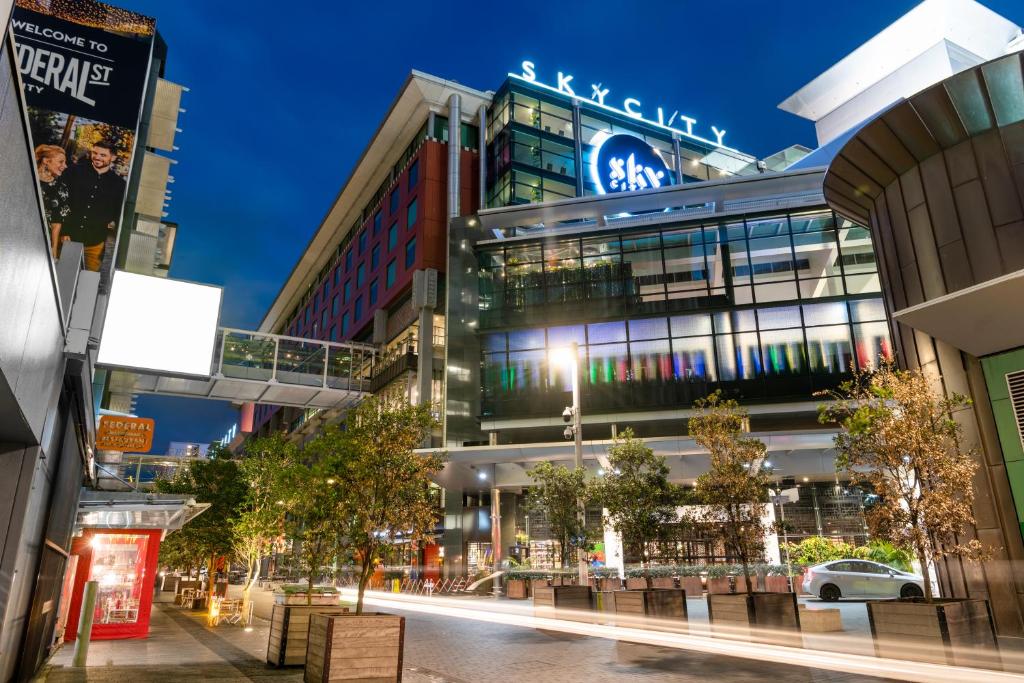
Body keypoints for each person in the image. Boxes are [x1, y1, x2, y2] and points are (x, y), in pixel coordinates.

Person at [62, 138, 127, 272]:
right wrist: (64, 231)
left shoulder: (119, 184)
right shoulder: (74, 171)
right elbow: (63, 201)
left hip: (95, 244)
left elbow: (118, 213)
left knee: (88, 283)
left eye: (103, 155)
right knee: (61, 274)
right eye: (95, 153)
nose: (97, 157)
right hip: (67, 237)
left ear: (113, 157)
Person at [34, 144, 70, 258]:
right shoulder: (26, 176)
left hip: (40, 240)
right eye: (61, 162)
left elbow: (56, 223)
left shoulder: (61, 188)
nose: (65, 166)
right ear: (46, 161)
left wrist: (53, 251)